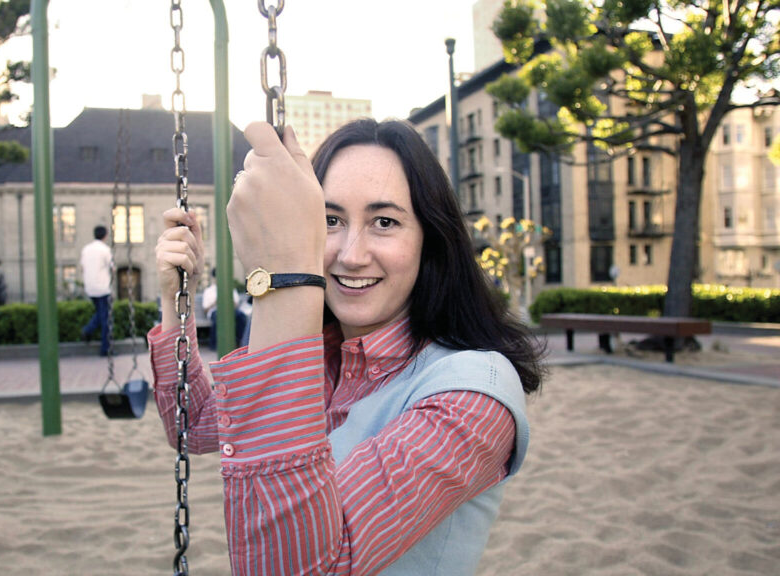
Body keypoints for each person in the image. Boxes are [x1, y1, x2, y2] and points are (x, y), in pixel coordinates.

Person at [150, 119, 545, 574]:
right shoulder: (322, 358)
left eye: (384, 222)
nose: (351, 254)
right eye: (330, 220)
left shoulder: (472, 396)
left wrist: (283, 276)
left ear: (429, 240)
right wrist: (174, 299)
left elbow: (300, 566)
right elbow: (194, 425)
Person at [79, 225, 114, 356]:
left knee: (100, 313)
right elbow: (113, 268)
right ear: (105, 236)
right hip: (103, 288)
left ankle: (88, 330)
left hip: (90, 287)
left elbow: (82, 267)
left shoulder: (86, 249)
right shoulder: (105, 249)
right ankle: (104, 349)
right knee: (106, 318)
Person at [201, 267, 249, 349]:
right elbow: (205, 310)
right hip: (215, 311)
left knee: (240, 315)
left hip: (230, 310)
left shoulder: (230, 288)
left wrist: (228, 300)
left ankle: (241, 343)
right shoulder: (209, 291)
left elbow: (236, 304)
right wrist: (216, 302)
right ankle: (215, 345)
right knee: (218, 316)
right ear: (214, 278)